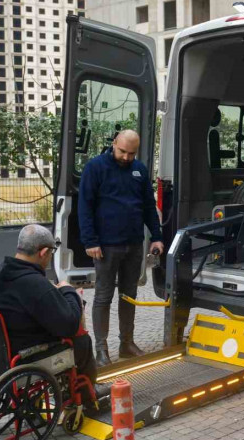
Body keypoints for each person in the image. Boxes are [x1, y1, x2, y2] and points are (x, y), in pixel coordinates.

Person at [0, 224, 100, 389]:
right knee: (82, 342)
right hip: (24, 357)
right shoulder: (35, 284)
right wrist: (68, 291)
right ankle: (86, 395)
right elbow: (69, 325)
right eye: (51, 252)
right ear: (43, 253)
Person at [79, 129, 163, 366]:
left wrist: (156, 236)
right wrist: (90, 241)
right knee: (103, 297)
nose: (126, 157)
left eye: (131, 153)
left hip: (134, 244)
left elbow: (148, 205)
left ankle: (127, 343)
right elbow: (85, 207)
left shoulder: (139, 170)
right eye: (122, 151)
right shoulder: (95, 168)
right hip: (106, 247)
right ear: (114, 142)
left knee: (129, 295)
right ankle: (101, 350)